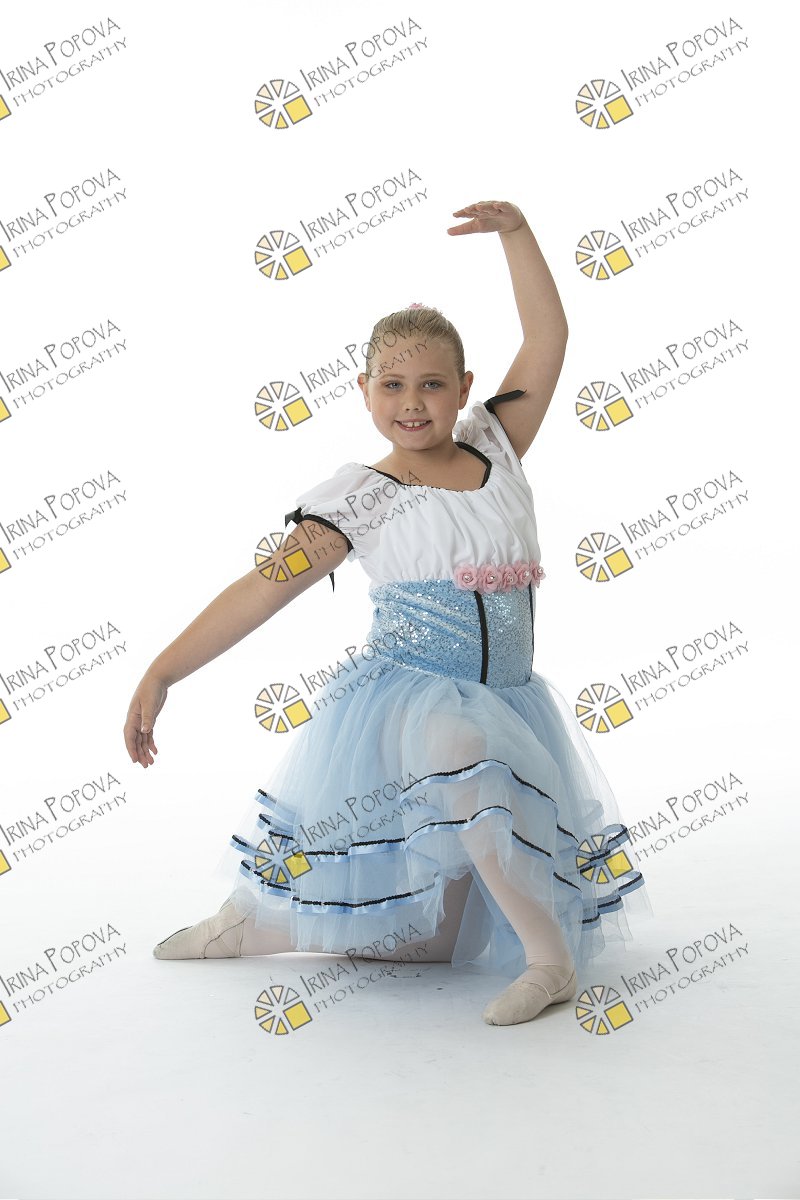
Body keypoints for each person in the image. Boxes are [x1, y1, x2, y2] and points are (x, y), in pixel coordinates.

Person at [124, 199, 654, 1027]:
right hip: (410, 704)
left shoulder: (496, 446)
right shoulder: (362, 498)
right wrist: (163, 671)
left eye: (433, 384)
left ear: (464, 389)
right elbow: (262, 588)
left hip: (511, 700)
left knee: (439, 942)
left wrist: (517, 235)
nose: (413, 402)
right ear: (364, 391)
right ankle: (549, 962)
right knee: (460, 749)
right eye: (393, 385)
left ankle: (262, 928)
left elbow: (549, 337)